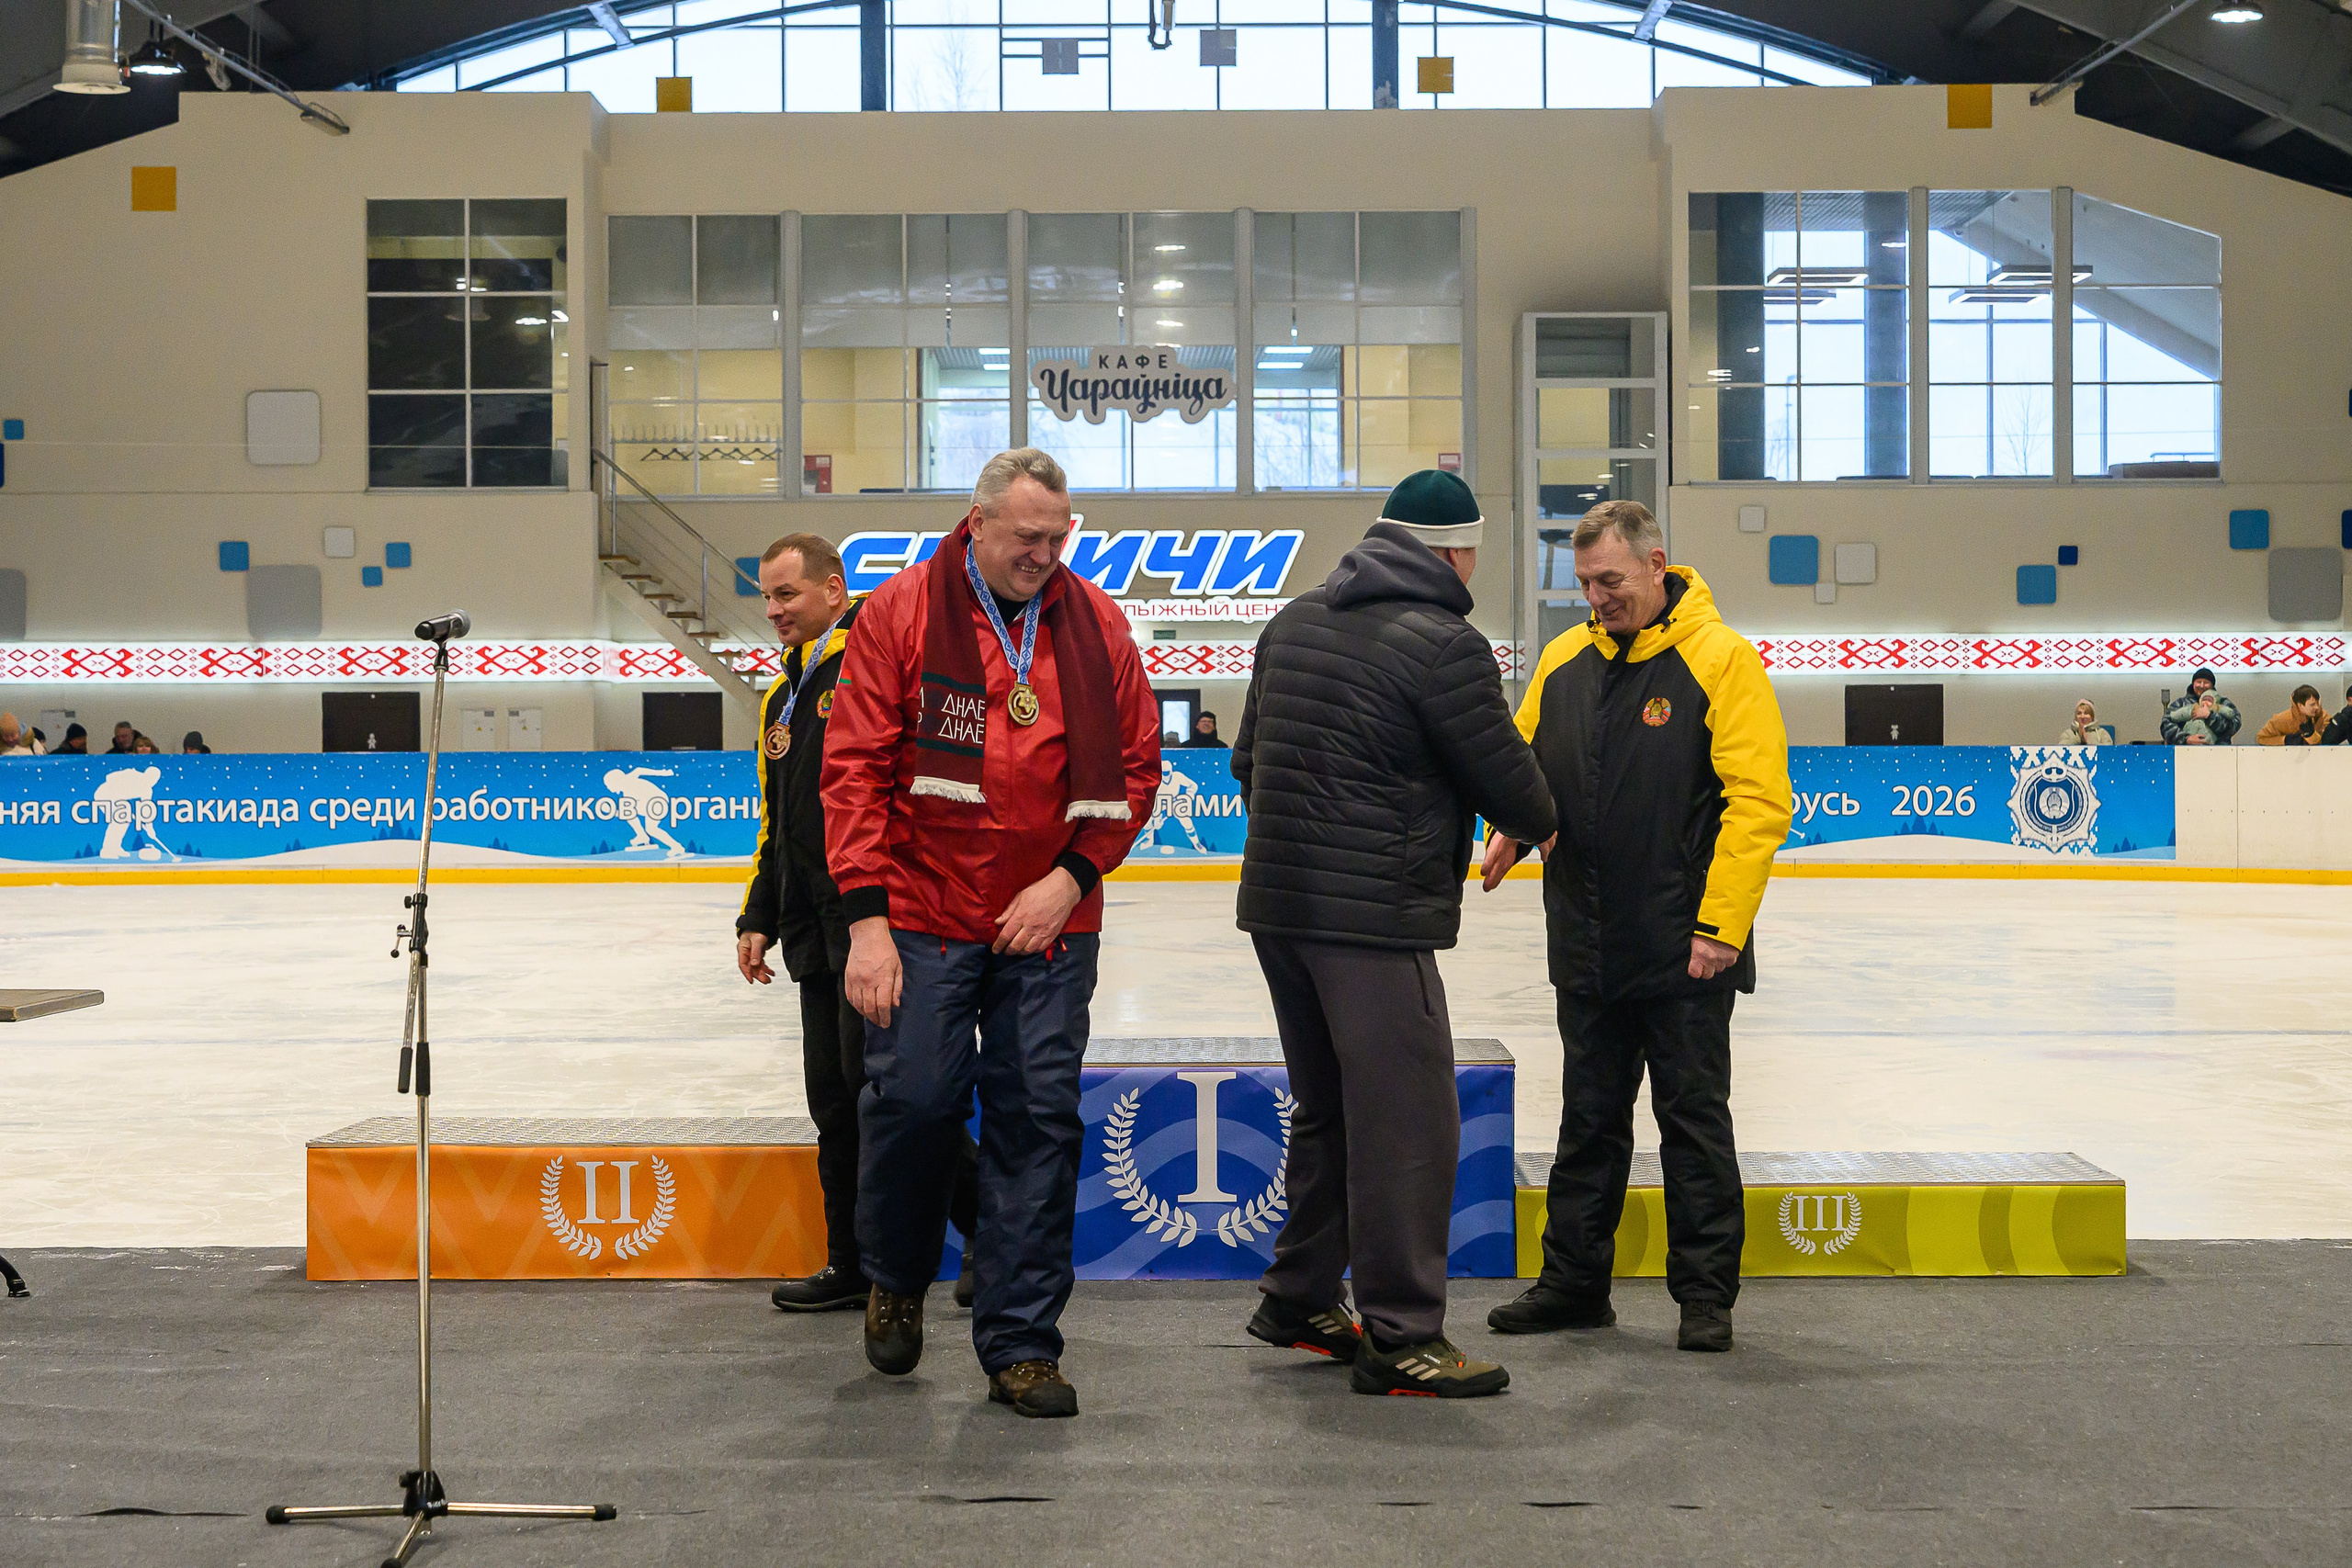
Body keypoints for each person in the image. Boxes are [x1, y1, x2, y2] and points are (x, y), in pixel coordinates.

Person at [823, 447, 1159, 1419]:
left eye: (1059, 538)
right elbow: (851, 774)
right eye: (1027, 538)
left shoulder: (1096, 622)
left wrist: (1070, 877)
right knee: (916, 1100)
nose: (1045, 555)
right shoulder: (897, 616)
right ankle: (894, 1269)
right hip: (924, 912)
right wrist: (868, 924)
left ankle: (1019, 1344)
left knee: (1036, 1125)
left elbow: (1135, 770)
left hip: (1047, 921)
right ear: (976, 525)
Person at [1232, 468, 1558, 1400]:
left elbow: (1247, 761)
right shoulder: (1444, 644)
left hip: (1281, 911)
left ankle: (1299, 1296)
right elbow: (1518, 793)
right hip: (1371, 922)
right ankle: (1404, 1331)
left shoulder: (1291, 623)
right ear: (1456, 552)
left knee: (1331, 1108)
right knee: (1408, 1123)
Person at [1485, 499, 1792, 1355]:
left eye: (1611, 580)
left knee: (1692, 1122)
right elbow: (1523, 760)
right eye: (1584, 583)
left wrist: (1721, 928)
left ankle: (1704, 1297)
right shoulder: (1563, 658)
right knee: (1587, 1119)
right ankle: (1575, 1284)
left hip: (1687, 948)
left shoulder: (1721, 660)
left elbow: (1760, 806)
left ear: (1659, 565)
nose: (1597, 598)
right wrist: (1507, 823)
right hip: (1584, 941)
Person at [738, 533, 980, 1315]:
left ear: (834, 590)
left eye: (788, 594)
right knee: (835, 1100)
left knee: (891, 1095)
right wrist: (758, 916)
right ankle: (850, 1262)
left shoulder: (869, 664)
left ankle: (989, 1238)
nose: (775, 610)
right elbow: (780, 822)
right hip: (813, 928)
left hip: (875, 921)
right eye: (768, 597)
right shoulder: (783, 694)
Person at [2162, 669, 2240, 746]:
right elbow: (2165, 724)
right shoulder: (2180, 703)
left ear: (2212, 686)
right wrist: (2186, 739)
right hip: (2185, 753)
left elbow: (2235, 724)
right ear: (2193, 684)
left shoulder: (2223, 703)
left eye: (2206, 683)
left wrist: (2210, 716)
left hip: (2218, 753)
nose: (2202, 686)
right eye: (2198, 682)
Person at [2256, 685, 2328, 746]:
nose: (2317, 707)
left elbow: (2330, 742)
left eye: (2317, 703)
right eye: (2312, 704)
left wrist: (2312, 736)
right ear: (2300, 705)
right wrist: (2285, 740)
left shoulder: (2324, 717)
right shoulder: (2282, 719)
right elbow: (2261, 738)